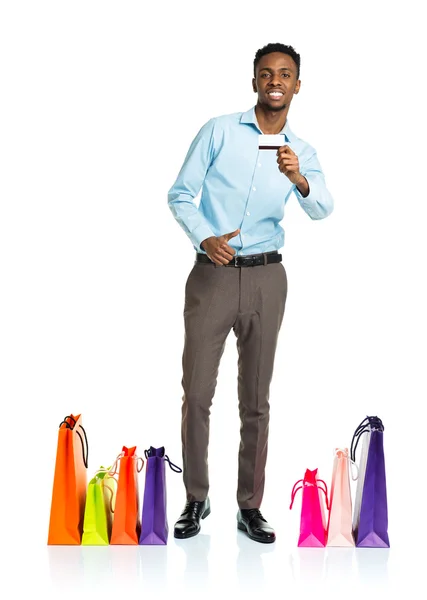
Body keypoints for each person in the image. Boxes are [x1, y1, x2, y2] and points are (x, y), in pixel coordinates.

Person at [167, 42, 334, 544]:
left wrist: (298, 178)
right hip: (212, 274)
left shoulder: (301, 151)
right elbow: (180, 193)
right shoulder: (218, 130)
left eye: (285, 74)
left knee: (256, 400)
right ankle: (197, 498)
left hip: (267, 278)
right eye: (266, 73)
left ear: (298, 85)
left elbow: (324, 208)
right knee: (196, 394)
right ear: (255, 81)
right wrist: (205, 237)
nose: (275, 81)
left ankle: (250, 506)